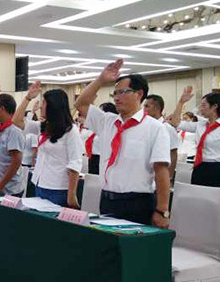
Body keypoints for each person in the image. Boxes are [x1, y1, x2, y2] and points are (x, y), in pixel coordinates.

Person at [74, 59, 171, 228]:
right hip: (107, 200)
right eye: (115, 93)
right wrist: (101, 80)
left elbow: (161, 171)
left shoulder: (155, 128)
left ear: (139, 94)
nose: (117, 98)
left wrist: (162, 210)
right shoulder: (107, 122)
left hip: (138, 202)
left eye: (123, 92)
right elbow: (80, 104)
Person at [13, 82, 82, 207]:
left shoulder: (71, 131)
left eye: (44, 103)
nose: (41, 106)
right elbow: (16, 121)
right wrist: (28, 98)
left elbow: (75, 164)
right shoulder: (43, 126)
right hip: (40, 183)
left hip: (58, 188)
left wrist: (71, 195)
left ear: (53, 106)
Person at [170, 87, 220, 188]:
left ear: (214, 106)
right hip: (199, 167)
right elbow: (175, 122)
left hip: (218, 169)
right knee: (197, 196)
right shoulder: (201, 125)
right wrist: (181, 102)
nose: (200, 108)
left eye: (204, 105)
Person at [145, 95, 179, 180]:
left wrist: (169, 177)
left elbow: (173, 153)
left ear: (156, 108)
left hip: (160, 173)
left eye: (147, 106)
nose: (144, 109)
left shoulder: (167, 128)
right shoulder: (146, 126)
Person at [86, 102, 118, 175]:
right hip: (93, 158)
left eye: (101, 111)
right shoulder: (96, 129)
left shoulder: (111, 129)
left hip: (101, 158)